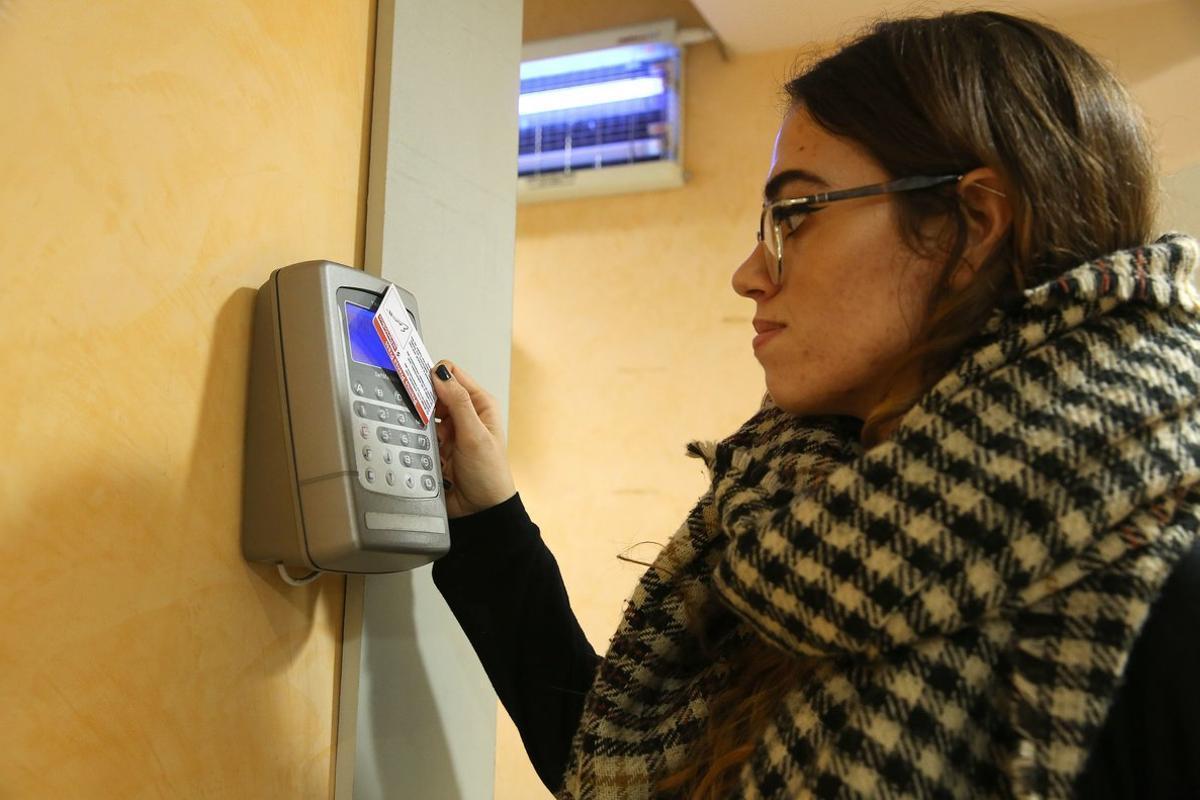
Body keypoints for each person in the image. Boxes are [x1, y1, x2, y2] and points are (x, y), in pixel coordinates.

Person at [427, 10, 1200, 799]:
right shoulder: (800, 502)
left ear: (972, 226)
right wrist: (487, 519)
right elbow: (633, 770)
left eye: (796, 214)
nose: (749, 274)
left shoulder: (1167, 596)